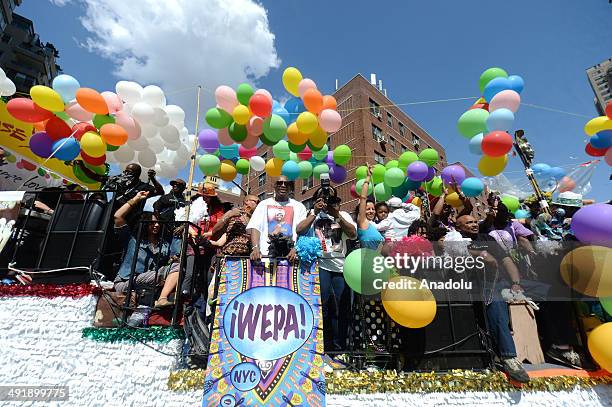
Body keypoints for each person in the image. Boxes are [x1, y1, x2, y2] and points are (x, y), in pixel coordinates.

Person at [455, 214, 530, 383]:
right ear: (459, 226)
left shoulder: (487, 237)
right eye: (469, 223)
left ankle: (559, 347)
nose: (474, 224)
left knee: (548, 290)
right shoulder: (455, 236)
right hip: (475, 285)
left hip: (499, 281)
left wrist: (516, 283)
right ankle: (509, 357)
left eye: (475, 221)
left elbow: (506, 260)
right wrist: (480, 253)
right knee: (495, 302)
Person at [297, 188, 356, 352]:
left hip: (340, 266)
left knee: (341, 308)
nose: (325, 202)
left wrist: (335, 214)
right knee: (320, 307)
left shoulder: (342, 214)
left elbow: (352, 234)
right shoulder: (311, 214)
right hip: (319, 265)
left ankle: (338, 348)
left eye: (328, 199)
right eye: (321, 199)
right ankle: (319, 347)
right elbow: (299, 230)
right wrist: (314, 212)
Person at [112, 191, 179, 309]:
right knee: (160, 274)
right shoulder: (132, 239)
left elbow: (171, 261)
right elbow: (118, 216)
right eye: (152, 222)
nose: (156, 225)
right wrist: (136, 199)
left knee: (177, 266)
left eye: (158, 222)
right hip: (126, 282)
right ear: (145, 224)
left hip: (149, 280)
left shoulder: (163, 244)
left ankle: (162, 299)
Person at [247, 176, 307, 262]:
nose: (283, 185)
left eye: (286, 183)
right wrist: (255, 248)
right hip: (266, 257)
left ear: (290, 187)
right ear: (274, 185)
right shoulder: (263, 204)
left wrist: (296, 249)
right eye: (279, 183)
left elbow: (303, 231)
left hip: (291, 257)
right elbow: (255, 227)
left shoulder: (299, 206)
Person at [354, 165, 384, 250]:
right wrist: (368, 177)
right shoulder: (362, 222)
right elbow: (363, 197)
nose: (371, 211)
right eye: (368, 209)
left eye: (373, 209)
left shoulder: (374, 226)